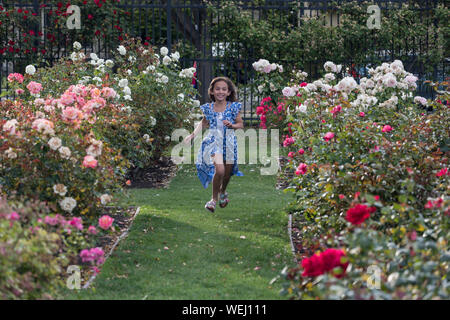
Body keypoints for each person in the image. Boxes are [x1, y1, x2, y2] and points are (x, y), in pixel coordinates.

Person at [184, 76, 244, 212]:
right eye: (217, 89)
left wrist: (232, 125)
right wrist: (192, 135)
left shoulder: (233, 107)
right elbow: (203, 123)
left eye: (224, 89)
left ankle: (223, 192)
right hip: (213, 142)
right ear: (212, 91)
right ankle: (213, 200)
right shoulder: (208, 108)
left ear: (229, 92)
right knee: (220, 170)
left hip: (229, 143)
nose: (220, 92)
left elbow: (240, 125)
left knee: (227, 173)